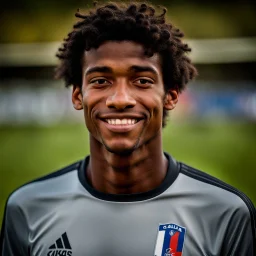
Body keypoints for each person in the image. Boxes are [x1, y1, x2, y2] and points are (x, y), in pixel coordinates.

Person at [1, 1, 255, 256]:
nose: (120, 99)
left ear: (171, 96)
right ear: (78, 96)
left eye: (142, 81)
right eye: (100, 81)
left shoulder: (226, 214)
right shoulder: (27, 209)